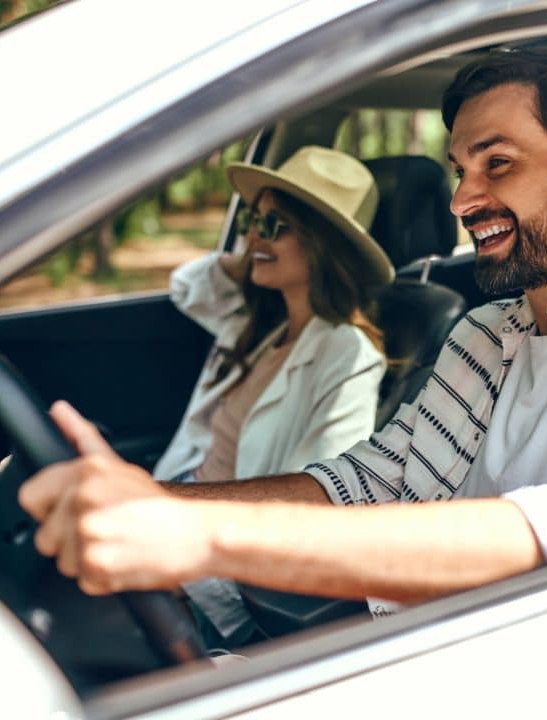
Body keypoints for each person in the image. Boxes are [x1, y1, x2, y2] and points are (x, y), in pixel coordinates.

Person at [19, 48, 547, 613]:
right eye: (460, 169)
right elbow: (362, 485)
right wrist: (160, 507)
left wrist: (208, 540)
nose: (463, 199)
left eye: (496, 165)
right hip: (404, 651)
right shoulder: (485, 335)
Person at [150, 145, 394, 643]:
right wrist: (252, 253)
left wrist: (185, 574)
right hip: (175, 506)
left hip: (212, 565)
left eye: (275, 225)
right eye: (252, 221)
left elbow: (319, 498)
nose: (256, 236)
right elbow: (187, 287)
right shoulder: (260, 324)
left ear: (324, 244)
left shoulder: (346, 354)